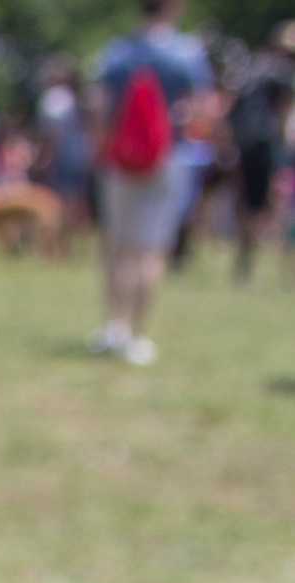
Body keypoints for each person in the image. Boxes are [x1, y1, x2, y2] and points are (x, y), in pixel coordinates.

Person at [89, 0, 212, 366]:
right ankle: (139, 336)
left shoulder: (118, 53)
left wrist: (106, 147)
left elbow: (98, 105)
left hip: (120, 160)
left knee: (119, 246)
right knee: (151, 249)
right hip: (170, 158)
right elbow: (203, 109)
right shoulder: (187, 54)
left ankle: (115, 327)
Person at [226, 32, 292, 285]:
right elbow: (284, 114)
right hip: (267, 146)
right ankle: (266, 259)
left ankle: (244, 258)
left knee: (247, 202)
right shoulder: (283, 74)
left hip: (245, 145)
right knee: (269, 202)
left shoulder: (253, 68)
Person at [35, 57, 98, 260]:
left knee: (58, 203)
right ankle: (73, 246)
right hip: (81, 154)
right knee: (77, 202)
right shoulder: (77, 98)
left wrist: (44, 158)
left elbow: (51, 135)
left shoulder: (54, 99)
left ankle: (59, 247)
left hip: (62, 156)